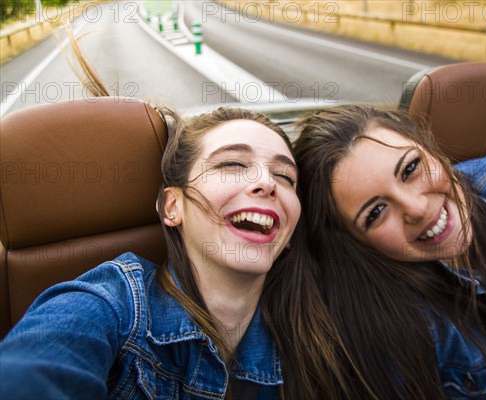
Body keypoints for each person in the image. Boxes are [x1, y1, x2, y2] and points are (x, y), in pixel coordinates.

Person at [0, 104, 360, 399]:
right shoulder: (113, 306)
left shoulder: (324, 324)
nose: (267, 182)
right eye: (231, 164)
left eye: (286, 177)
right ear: (172, 207)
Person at [293, 104, 486, 399]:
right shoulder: (386, 327)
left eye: (410, 168)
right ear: (357, 243)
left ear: (430, 147)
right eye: (375, 213)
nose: (417, 208)